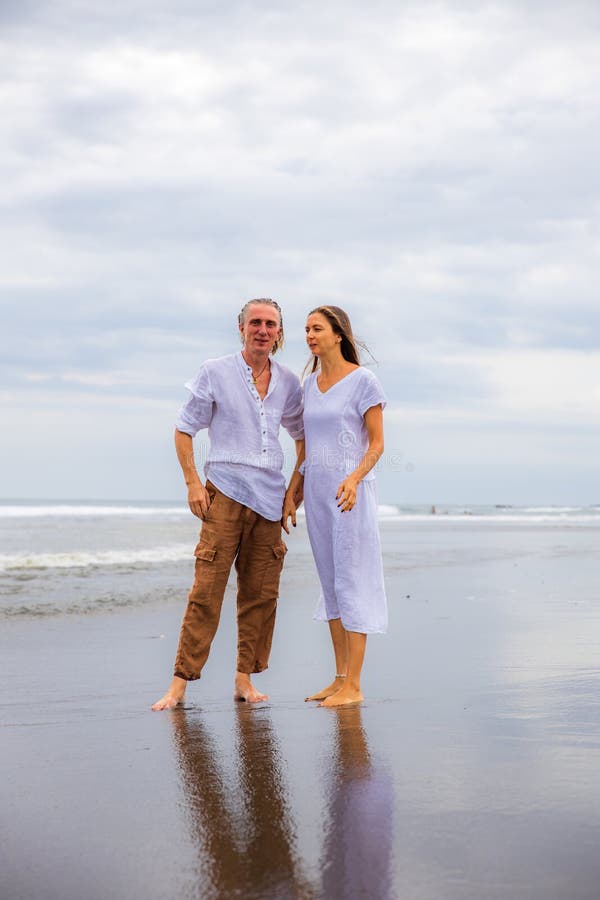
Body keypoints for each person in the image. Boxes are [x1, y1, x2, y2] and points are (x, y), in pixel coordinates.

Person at [152, 299, 304, 709]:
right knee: (207, 591)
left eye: (270, 324)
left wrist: (294, 489)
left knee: (261, 595)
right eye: (255, 322)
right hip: (224, 494)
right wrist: (192, 484)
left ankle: (243, 680)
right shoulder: (215, 371)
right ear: (241, 328)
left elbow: (301, 435)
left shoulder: (289, 381)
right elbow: (184, 430)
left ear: (278, 332)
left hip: (270, 502)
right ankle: (179, 685)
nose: (263, 330)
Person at [283, 306, 387, 707]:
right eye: (306, 329)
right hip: (318, 493)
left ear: (339, 334)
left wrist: (354, 477)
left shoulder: (364, 382)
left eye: (317, 328)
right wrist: (296, 489)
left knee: (352, 581)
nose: (309, 335)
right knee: (330, 583)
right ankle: (340, 678)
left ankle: (355, 686)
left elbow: (377, 444)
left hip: (350, 494)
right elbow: (307, 446)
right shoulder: (309, 385)